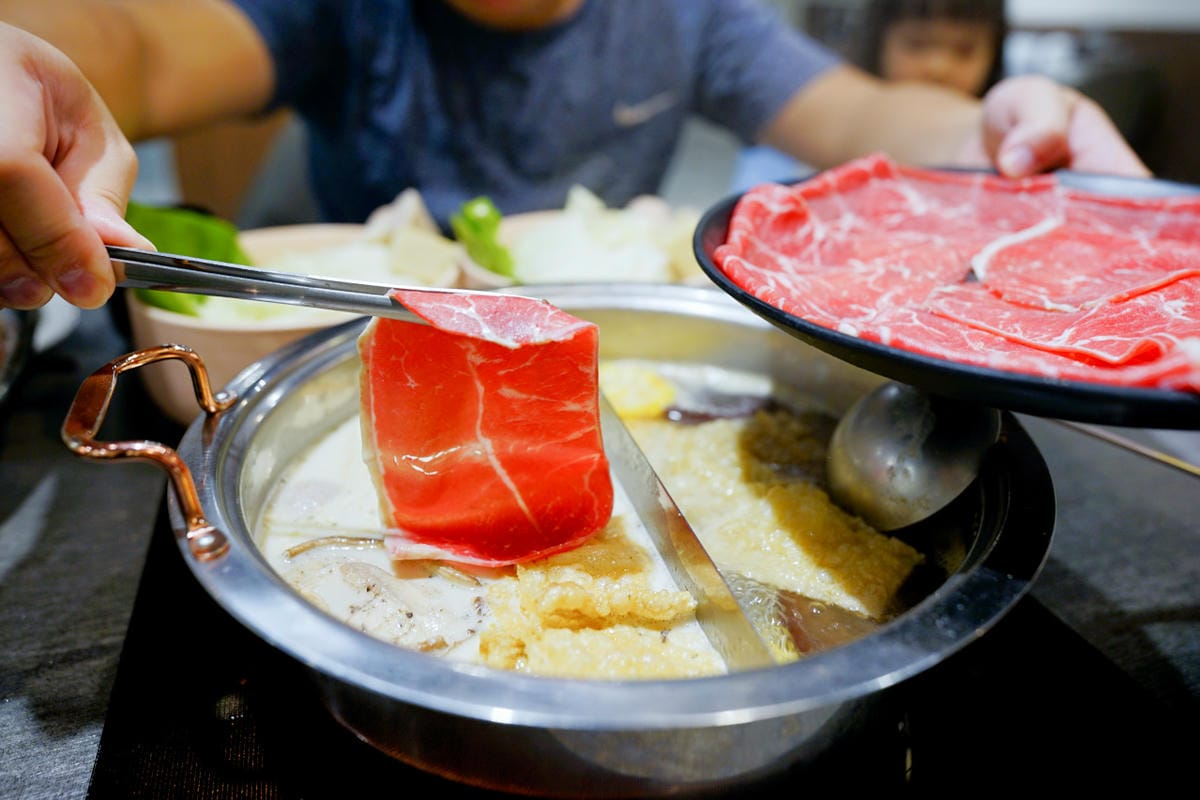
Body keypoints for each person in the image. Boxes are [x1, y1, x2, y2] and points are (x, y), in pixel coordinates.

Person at [0, 0, 1148, 313]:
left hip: (607, 359)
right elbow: (140, 44)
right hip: (363, 354)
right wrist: (33, 61)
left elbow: (858, 120)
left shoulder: (684, 17)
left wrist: (998, 131)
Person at [733, 0, 1008, 189]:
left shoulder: (998, 147)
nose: (939, 67)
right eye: (916, 45)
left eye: (964, 50)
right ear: (879, 40)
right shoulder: (796, 141)